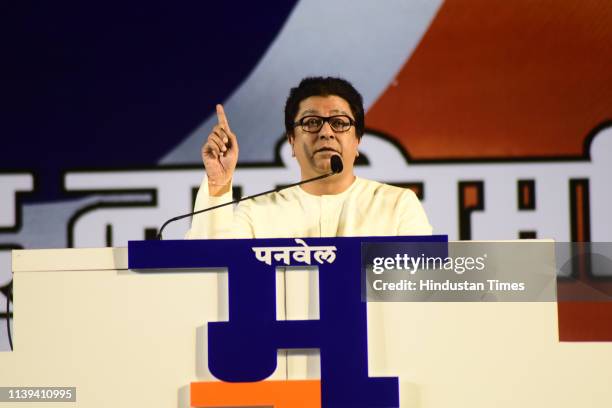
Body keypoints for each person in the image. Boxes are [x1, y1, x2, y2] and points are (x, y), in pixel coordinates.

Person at [186, 76, 432, 239]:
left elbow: (421, 290)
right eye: (311, 122)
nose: (326, 132)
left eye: (338, 122)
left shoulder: (397, 205)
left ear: (357, 141)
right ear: (291, 141)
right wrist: (218, 183)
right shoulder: (258, 212)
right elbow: (209, 268)